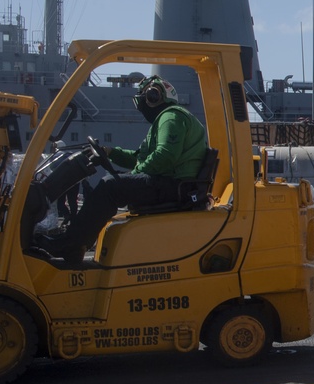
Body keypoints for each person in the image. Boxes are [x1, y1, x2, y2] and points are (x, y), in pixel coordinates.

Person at [37, 76, 208, 263]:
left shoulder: (170, 117)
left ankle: (71, 244)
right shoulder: (166, 119)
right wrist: (110, 153)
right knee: (113, 183)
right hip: (173, 185)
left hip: (173, 186)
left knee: (110, 186)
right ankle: (75, 241)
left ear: (153, 96)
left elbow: (165, 156)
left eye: (144, 97)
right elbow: (140, 159)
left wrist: (134, 174)